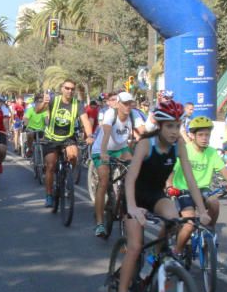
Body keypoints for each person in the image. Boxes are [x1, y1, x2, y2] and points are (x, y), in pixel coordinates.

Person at [109, 101, 209, 292]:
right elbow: (131, 178)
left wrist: (201, 210)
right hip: (134, 194)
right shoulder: (146, 143)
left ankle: (154, 256)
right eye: (170, 126)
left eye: (178, 125)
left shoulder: (179, 144)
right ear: (160, 126)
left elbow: (190, 179)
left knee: (175, 219)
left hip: (155, 194)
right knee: (134, 246)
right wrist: (133, 208)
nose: (175, 132)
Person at [170, 116, 227, 251]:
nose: (204, 138)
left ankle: (209, 230)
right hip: (184, 190)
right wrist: (170, 186)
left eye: (207, 135)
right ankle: (176, 253)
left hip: (203, 189)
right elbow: (171, 171)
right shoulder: (184, 150)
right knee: (189, 223)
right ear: (192, 135)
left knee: (214, 202)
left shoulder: (211, 152)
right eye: (200, 135)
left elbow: (224, 170)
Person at [34, 79, 94, 207]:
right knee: (50, 166)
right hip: (51, 138)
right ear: (62, 88)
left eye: (72, 89)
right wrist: (44, 103)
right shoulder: (53, 100)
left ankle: (67, 178)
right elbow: (37, 111)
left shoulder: (77, 104)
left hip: (68, 137)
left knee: (73, 156)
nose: (69, 91)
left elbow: (85, 121)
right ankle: (49, 195)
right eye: (67, 88)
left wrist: (89, 135)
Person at [92, 91, 141, 238]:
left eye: (130, 103)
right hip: (102, 149)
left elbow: (144, 132)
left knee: (134, 173)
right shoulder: (110, 114)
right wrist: (103, 153)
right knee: (104, 180)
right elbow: (106, 134)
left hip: (121, 149)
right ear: (118, 104)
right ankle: (100, 224)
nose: (128, 106)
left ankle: (125, 199)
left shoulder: (134, 114)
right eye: (125, 103)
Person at [23, 92, 49, 158]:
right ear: (35, 102)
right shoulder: (30, 110)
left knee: (46, 139)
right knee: (30, 134)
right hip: (31, 129)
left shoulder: (44, 111)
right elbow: (26, 118)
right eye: (38, 101)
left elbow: (46, 120)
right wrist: (25, 125)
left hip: (41, 129)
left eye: (41, 101)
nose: (39, 103)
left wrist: (48, 125)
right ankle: (30, 149)